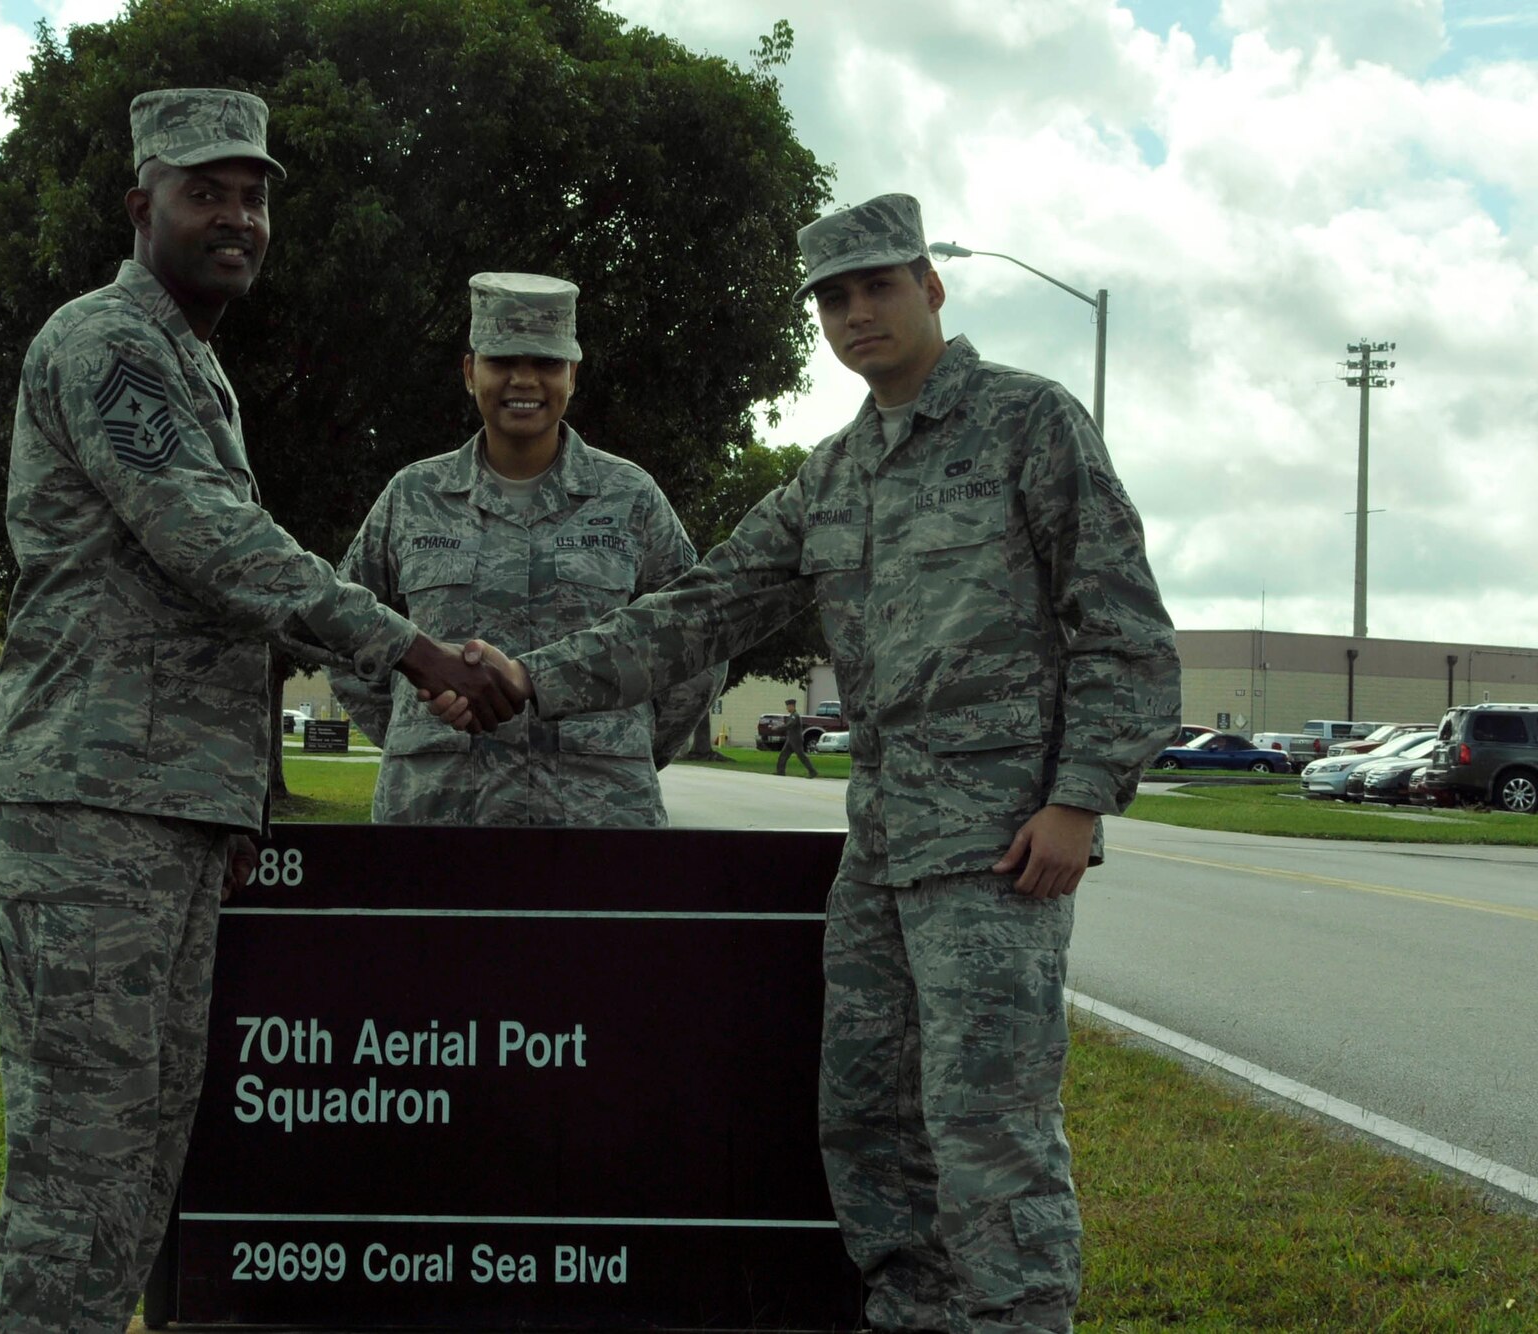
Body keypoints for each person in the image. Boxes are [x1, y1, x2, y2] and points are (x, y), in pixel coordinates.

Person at [430, 193, 1179, 1333]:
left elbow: (1122, 627)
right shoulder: (832, 475)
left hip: (997, 847)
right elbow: (700, 607)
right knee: (866, 1122)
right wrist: (533, 677)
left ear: (929, 287)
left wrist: (1078, 798)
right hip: (880, 849)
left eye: (877, 286)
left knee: (987, 1132)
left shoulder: (1030, 424)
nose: (854, 313)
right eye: (831, 297)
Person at [0, 87, 517, 1334]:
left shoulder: (193, 366)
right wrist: (416, 647)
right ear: (140, 205)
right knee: (81, 1163)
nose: (235, 217)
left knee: (147, 1150)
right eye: (202, 192)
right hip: (89, 802)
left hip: (166, 807)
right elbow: (210, 540)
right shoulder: (105, 339)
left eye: (252, 195)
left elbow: (232, 580)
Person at [328, 273, 723, 826]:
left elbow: (698, 639)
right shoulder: (412, 496)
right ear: (470, 372)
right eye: (503, 360)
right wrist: (411, 729)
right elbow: (341, 631)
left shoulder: (631, 497)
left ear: (572, 376)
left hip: (600, 819)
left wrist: (625, 743)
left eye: (546, 363)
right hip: (435, 814)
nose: (524, 379)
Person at [776, 697, 817, 778]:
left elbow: (789, 725)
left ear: (792, 706)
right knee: (783, 755)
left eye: (788, 706)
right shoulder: (792, 715)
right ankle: (780, 771)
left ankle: (812, 771)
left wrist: (778, 728)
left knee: (801, 756)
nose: (787, 708)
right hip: (790, 739)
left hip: (796, 740)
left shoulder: (795, 716)